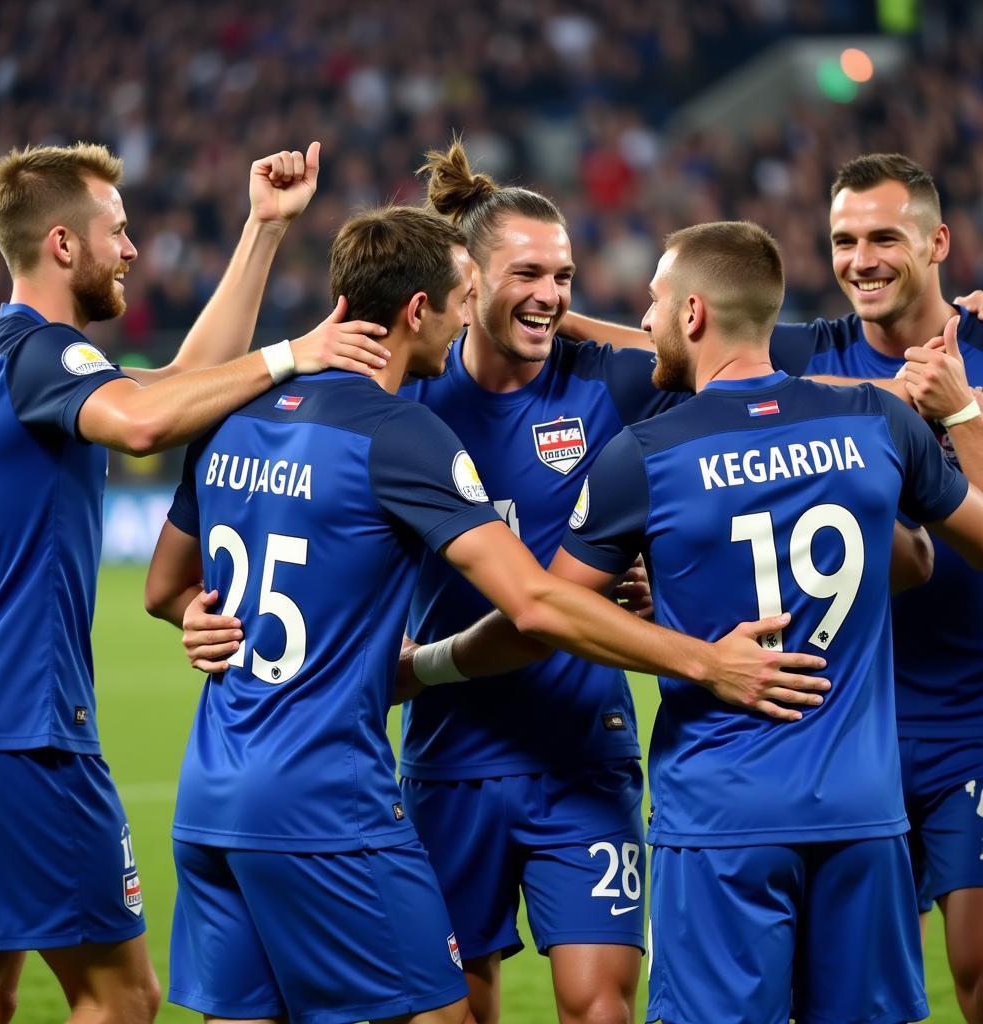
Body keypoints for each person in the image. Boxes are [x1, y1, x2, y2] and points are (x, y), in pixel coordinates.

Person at [146, 205, 831, 1024]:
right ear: (437, 303)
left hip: (568, 749)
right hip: (423, 758)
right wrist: (704, 658)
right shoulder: (410, 414)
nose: (544, 296)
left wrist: (202, 610)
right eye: (505, 282)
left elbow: (743, 373)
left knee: (594, 1003)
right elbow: (537, 605)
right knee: (449, 1006)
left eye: (564, 278)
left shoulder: (603, 377)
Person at [407, 220, 983, 1024]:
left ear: (692, 316)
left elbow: (547, 613)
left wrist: (422, 666)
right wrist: (961, 414)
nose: (641, 322)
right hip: (862, 811)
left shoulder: (646, 454)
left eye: (651, 303)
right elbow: (924, 560)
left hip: (722, 816)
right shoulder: (870, 424)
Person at [0, 140, 391, 1024]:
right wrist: (292, 355)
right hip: (23, 729)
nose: (131, 249)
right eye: (116, 232)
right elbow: (148, 420)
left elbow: (174, 383)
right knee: (121, 996)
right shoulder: (45, 355)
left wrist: (261, 234)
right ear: (62, 245)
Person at [768, 154, 983, 1024]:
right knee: (845, 992)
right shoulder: (810, 353)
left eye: (884, 237)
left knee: (976, 964)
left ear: (937, 243)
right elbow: (662, 342)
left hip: (971, 718)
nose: (861, 259)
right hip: (847, 726)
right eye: (844, 240)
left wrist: (962, 410)